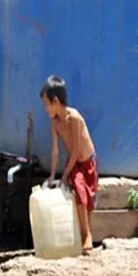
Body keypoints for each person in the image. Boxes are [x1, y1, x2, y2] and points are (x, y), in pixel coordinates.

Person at [39, 75, 99, 256]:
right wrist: (52, 176)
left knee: (89, 200)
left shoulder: (75, 118)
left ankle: (87, 235)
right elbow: (56, 150)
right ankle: (86, 235)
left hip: (87, 161)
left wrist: (64, 175)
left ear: (56, 101)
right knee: (79, 192)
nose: (45, 108)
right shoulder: (55, 122)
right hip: (74, 165)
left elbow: (76, 151)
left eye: (46, 104)